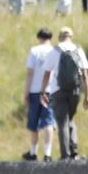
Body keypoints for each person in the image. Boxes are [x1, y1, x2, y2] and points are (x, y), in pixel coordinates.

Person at [24, 29, 58, 161]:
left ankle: (33, 152)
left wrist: (26, 92)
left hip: (35, 90)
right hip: (50, 90)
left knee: (34, 122)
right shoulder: (55, 51)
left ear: (39, 37)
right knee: (48, 121)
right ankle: (47, 153)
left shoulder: (34, 51)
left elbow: (30, 73)